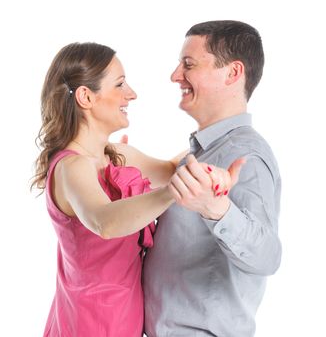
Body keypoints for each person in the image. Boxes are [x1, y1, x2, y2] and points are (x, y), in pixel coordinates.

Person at [31, 42, 243, 337]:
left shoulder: (116, 156)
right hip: (88, 325)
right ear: (85, 97)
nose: (131, 94)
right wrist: (174, 190)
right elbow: (104, 221)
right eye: (119, 84)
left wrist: (223, 130)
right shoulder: (71, 168)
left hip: (125, 320)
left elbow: (172, 168)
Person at [143, 20, 282, 337]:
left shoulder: (247, 156)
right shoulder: (202, 153)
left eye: (188, 65)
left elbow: (268, 256)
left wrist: (216, 209)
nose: (175, 76)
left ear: (232, 73)